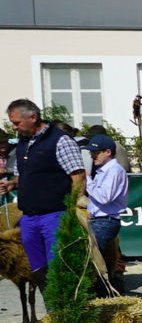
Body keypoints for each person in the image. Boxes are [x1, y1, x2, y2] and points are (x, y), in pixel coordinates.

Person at [7, 97, 87, 291]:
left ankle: (65, 313)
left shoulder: (60, 140)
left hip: (55, 214)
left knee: (58, 268)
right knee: (38, 271)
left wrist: (73, 209)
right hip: (28, 217)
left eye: (16, 123)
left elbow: (78, 177)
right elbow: (24, 174)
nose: (14, 128)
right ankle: (51, 313)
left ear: (32, 117)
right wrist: (11, 184)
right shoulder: (23, 144)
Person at [85, 133, 130, 296]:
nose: (92, 156)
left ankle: (103, 296)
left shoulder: (114, 171)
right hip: (100, 220)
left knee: (92, 262)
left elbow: (105, 197)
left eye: (96, 153)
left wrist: (87, 181)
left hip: (106, 221)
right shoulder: (104, 171)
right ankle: (104, 296)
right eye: (91, 153)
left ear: (108, 152)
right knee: (96, 262)